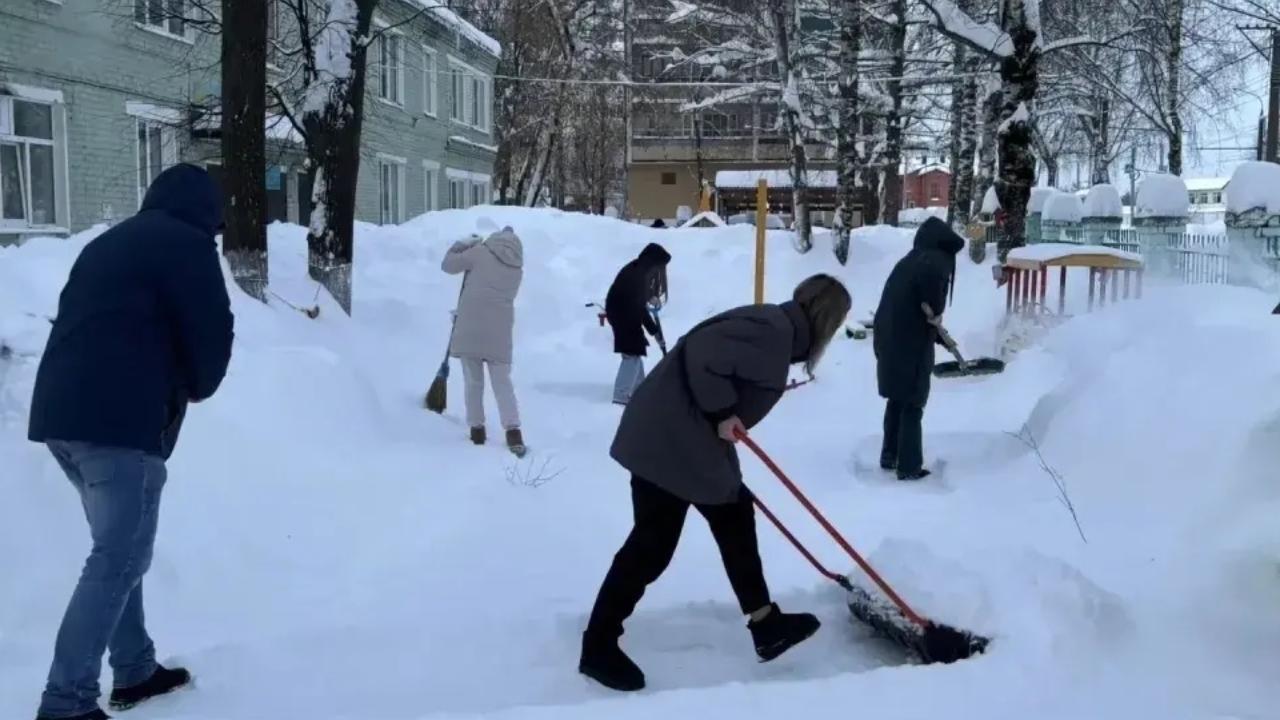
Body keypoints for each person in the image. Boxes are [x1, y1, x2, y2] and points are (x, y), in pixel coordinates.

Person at [27, 164, 235, 720]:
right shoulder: (187, 245)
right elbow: (212, 331)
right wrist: (196, 387)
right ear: (206, 213)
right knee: (118, 557)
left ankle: (135, 668)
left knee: (118, 554)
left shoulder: (112, 242)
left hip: (61, 419)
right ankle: (66, 700)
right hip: (118, 423)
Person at [579, 274, 853, 692]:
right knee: (653, 544)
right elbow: (703, 354)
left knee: (733, 515)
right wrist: (723, 410)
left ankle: (766, 624)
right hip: (670, 441)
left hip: (682, 439)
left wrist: (721, 415)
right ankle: (597, 645)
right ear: (827, 320)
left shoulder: (776, 328)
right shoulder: (774, 332)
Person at [872, 216, 964, 481]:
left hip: (889, 338)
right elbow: (931, 309)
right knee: (913, 401)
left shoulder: (910, 261)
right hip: (910, 343)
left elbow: (913, 307)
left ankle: (889, 456)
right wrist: (935, 330)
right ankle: (909, 467)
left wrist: (939, 336)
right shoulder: (933, 263)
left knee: (897, 398)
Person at [441, 226, 526, 455]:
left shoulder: (479, 253)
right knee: (502, 383)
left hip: (471, 326)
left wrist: (462, 244)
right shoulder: (517, 269)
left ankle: (477, 430)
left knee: (473, 382)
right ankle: (513, 431)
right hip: (500, 332)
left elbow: (448, 265)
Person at [604, 242, 671, 405]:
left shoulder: (638, 269)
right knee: (631, 353)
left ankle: (638, 390)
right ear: (654, 261)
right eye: (659, 265)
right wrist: (655, 332)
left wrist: (649, 297)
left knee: (635, 351)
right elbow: (639, 308)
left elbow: (639, 298)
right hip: (622, 313)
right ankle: (621, 394)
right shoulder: (638, 273)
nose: (659, 270)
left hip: (624, 312)